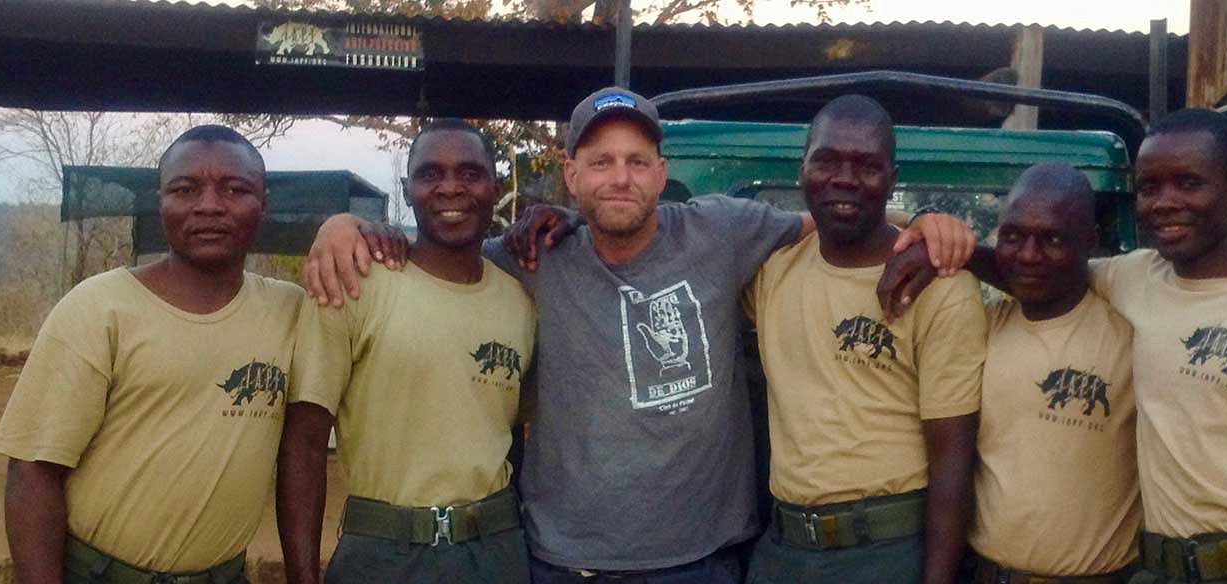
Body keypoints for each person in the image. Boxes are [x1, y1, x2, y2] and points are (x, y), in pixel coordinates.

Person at [301, 87, 974, 582]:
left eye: (635, 160)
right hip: (562, 563)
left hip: (704, 563)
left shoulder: (722, 232)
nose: (618, 177)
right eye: (599, 162)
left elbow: (841, 221)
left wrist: (935, 228)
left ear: (660, 171)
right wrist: (344, 227)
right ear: (571, 176)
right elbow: (440, 252)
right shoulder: (527, 260)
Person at [886, 109, 1227, 584]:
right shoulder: (1138, 278)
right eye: (1149, 187)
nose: (1164, 202)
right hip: (1162, 566)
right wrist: (946, 251)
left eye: (1188, 183)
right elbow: (1040, 270)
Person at [0, 125, 303, 583]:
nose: (210, 205)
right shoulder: (99, 308)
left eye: (236, 189)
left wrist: (351, 227)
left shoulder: (291, 312)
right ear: (160, 202)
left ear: (264, 204)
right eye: (185, 188)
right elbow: (35, 472)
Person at [741, 95, 985, 584]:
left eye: (867, 166)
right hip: (783, 550)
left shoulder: (941, 287)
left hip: (887, 551)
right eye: (826, 160)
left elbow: (954, 461)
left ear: (892, 181)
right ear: (802, 169)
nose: (844, 178)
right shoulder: (771, 269)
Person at [278, 120, 535, 583]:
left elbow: (512, 435)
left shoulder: (520, 302)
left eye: (470, 173)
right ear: (407, 187)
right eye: (430, 173)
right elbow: (305, 443)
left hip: (497, 552)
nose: (450, 188)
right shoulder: (353, 282)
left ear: (495, 187)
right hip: (383, 555)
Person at [966, 162, 1140, 583]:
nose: (1027, 255)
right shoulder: (980, 327)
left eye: (1053, 239)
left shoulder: (1133, 334)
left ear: (1090, 242)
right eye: (1012, 236)